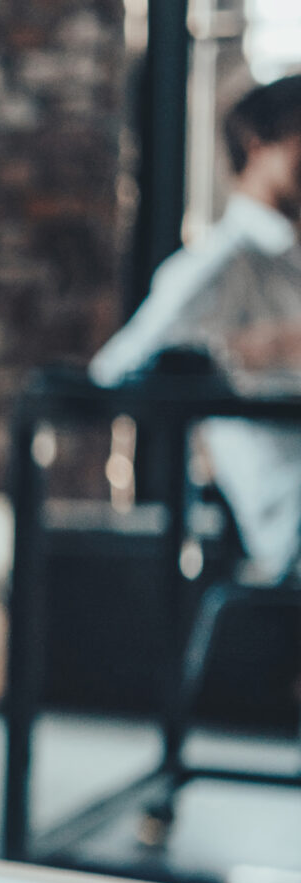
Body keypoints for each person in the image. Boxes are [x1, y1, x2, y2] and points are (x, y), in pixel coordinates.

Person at [89, 77, 301, 579]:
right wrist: (259, 350)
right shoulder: (221, 264)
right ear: (258, 146)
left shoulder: (289, 263)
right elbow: (116, 374)